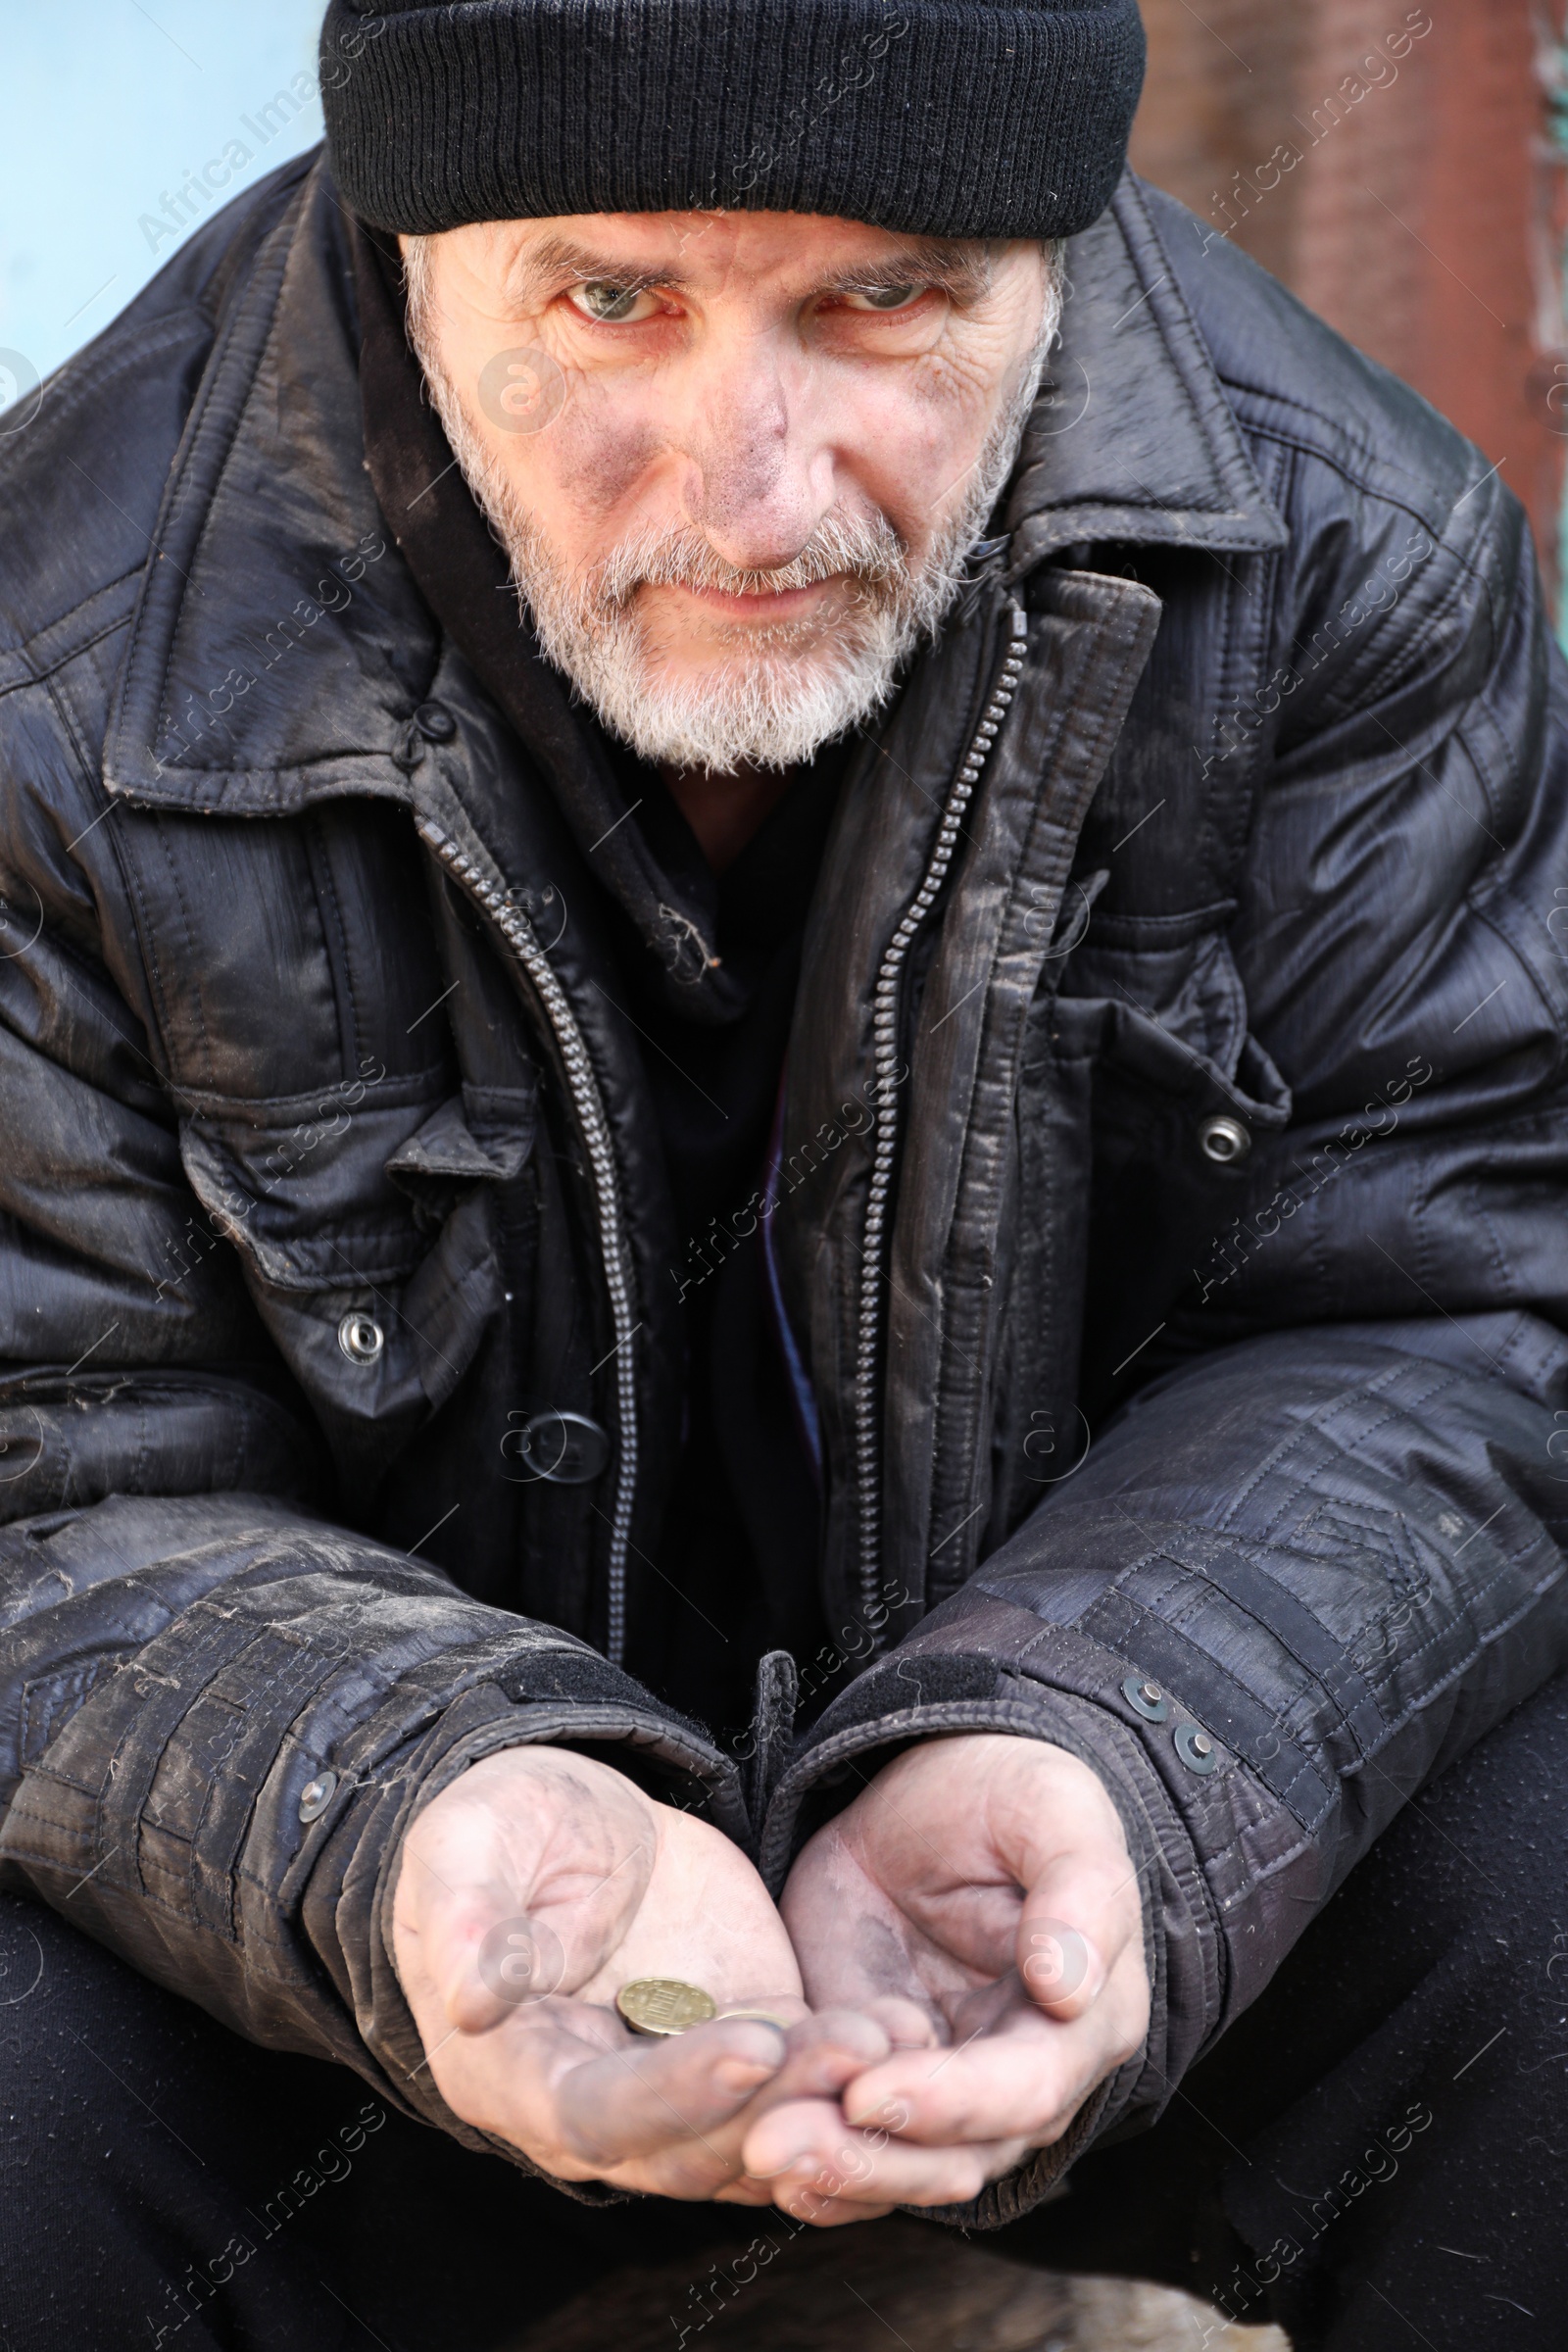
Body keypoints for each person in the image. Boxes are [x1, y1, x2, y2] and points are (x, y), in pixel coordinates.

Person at [0, 0, 1564, 2344]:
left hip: (1097, 1904)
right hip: (346, 1977)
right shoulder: (52, 664)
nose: (753, 487)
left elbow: (1451, 1291)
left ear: (1056, 261)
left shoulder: (1355, 558)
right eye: (608, 299)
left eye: (886, 302)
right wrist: (405, 1812)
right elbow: (43, 1471)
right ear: (407, 243)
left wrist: (1114, 1753)